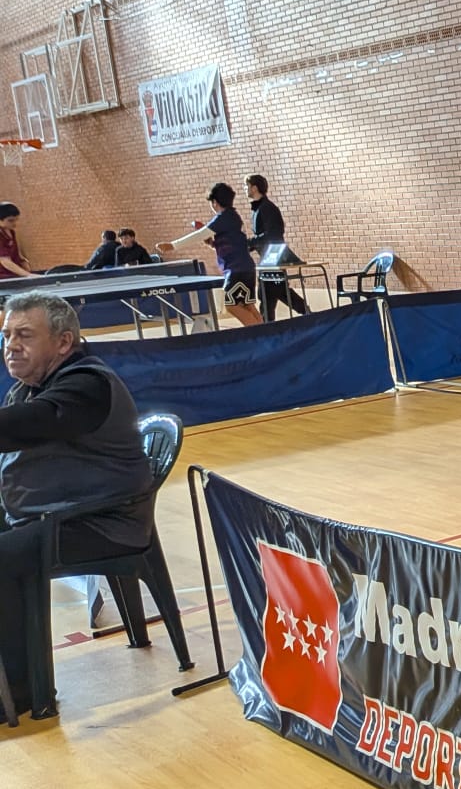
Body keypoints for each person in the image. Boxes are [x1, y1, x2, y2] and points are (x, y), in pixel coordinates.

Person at [0, 292, 155, 719]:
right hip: (57, 512)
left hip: (102, 523)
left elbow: (31, 425)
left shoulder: (86, 385)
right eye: (6, 335)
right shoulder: (30, 387)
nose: (11, 346)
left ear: (64, 342)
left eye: (24, 335)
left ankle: (23, 692)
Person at [155, 182, 263, 326]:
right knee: (247, 306)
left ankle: (256, 333)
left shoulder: (222, 218)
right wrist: (212, 244)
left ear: (214, 202)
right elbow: (232, 244)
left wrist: (172, 245)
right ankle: (266, 333)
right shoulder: (233, 217)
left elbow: (199, 234)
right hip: (246, 267)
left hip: (236, 270)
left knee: (232, 306)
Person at [244, 175, 310, 321]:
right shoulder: (258, 209)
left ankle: (306, 314)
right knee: (269, 294)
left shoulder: (267, 208)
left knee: (276, 291)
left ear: (254, 188)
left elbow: (272, 234)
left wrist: (250, 243)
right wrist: (250, 245)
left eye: (246, 186)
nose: (245, 189)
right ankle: (270, 324)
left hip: (273, 256)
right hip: (267, 257)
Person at [0, 203, 30, 278]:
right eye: (10, 220)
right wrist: (28, 275)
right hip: (3, 277)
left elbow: (18, 253)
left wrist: (23, 261)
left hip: (14, 274)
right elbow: (5, 261)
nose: (15, 223)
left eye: (16, 220)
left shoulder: (12, 232)